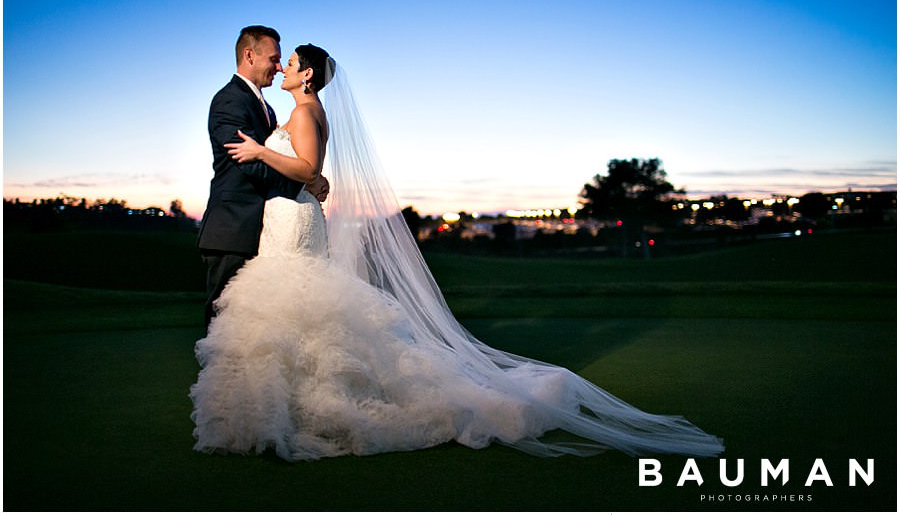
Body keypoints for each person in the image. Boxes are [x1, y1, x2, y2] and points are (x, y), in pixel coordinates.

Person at [189, 44, 724, 461]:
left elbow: (305, 168)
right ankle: (283, 407)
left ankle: (294, 410)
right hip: (292, 218)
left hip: (295, 221)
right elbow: (311, 171)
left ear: (306, 75)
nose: (283, 67)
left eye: (292, 63)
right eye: (278, 61)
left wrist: (264, 152)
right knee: (295, 309)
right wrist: (308, 175)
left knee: (295, 305)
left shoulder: (304, 113)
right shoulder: (305, 110)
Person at [196, 26, 327, 329]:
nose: (279, 67)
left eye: (285, 61)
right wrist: (305, 181)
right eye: (274, 58)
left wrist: (308, 174)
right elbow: (247, 162)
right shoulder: (229, 100)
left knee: (259, 323)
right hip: (233, 228)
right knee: (224, 324)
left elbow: (289, 159)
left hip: (267, 230)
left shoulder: (267, 108)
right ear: (249, 55)